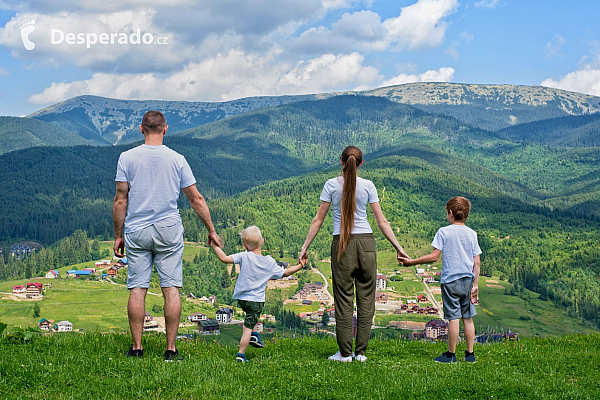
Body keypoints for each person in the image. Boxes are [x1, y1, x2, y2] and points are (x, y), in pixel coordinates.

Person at [113, 110, 220, 361]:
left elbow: (120, 200)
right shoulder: (177, 159)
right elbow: (196, 199)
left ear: (141, 129)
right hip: (168, 228)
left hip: (137, 229)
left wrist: (118, 234)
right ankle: (170, 350)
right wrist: (211, 230)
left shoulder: (126, 158)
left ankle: (137, 348)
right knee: (171, 288)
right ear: (165, 129)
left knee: (137, 288)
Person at [298, 146, 410, 362]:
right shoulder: (368, 186)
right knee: (367, 298)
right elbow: (382, 222)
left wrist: (305, 247)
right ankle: (361, 353)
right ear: (361, 163)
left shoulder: (331, 185)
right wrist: (398, 248)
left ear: (341, 162)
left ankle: (345, 353)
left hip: (342, 244)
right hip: (367, 244)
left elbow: (318, 220)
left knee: (343, 299)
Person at [399, 196, 481, 363]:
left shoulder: (443, 232)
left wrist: (411, 262)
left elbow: (434, 257)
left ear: (450, 213)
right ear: (466, 214)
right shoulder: (472, 234)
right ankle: (470, 354)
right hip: (467, 280)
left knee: (453, 318)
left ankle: (451, 354)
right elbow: (477, 262)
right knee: (468, 318)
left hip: (450, 281)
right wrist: (475, 285)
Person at [210, 225, 305, 362]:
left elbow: (224, 258)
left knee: (251, 318)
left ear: (244, 245)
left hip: (242, 299)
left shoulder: (244, 256)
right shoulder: (269, 262)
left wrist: (214, 246)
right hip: (256, 301)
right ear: (262, 241)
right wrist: (300, 266)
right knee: (247, 327)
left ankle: (254, 335)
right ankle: (241, 354)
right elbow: (285, 273)